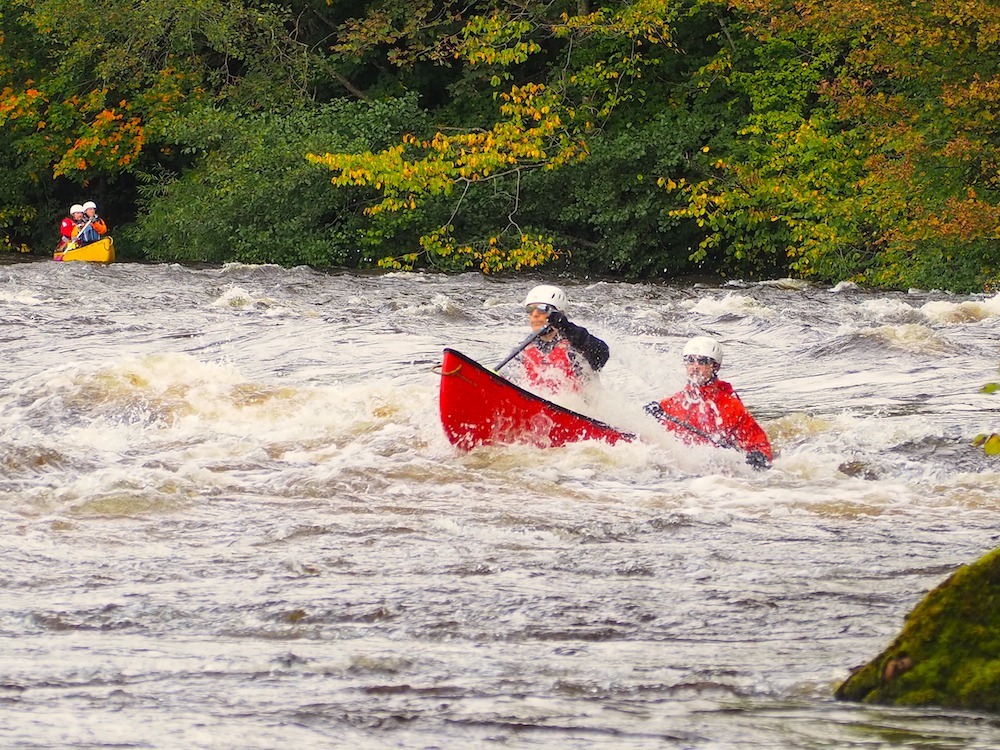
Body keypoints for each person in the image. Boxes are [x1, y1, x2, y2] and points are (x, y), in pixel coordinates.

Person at [645, 336, 773, 469]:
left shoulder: (731, 406)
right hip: (680, 474)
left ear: (715, 367)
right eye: (690, 361)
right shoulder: (669, 405)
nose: (695, 367)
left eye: (702, 361)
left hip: (716, 475)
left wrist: (759, 457)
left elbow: (760, 447)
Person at [513, 284, 610, 394]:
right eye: (530, 310)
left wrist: (566, 326)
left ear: (558, 314)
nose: (534, 315)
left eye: (542, 309)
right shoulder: (523, 350)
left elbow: (602, 354)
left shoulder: (576, 342)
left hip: (577, 407)